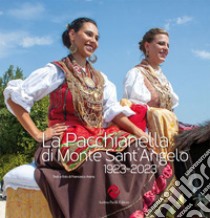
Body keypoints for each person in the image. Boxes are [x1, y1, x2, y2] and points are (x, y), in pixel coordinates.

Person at [4, 19, 173, 218]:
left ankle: (138, 211)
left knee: (136, 148)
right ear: (72, 34)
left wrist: (139, 134)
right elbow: (16, 98)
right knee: (97, 158)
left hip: (95, 135)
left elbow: (112, 112)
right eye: (88, 34)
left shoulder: (101, 79)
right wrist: (38, 134)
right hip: (64, 138)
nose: (93, 40)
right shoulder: (57, 71)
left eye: (96, 37)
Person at [122, 28, 179, 158]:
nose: (166, 48)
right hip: (149, 138)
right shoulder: (136, 74)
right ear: (147, 46)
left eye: (167, 45)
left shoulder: (163, 79)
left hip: (168, 134)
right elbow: (135, 112)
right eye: (161, 43)